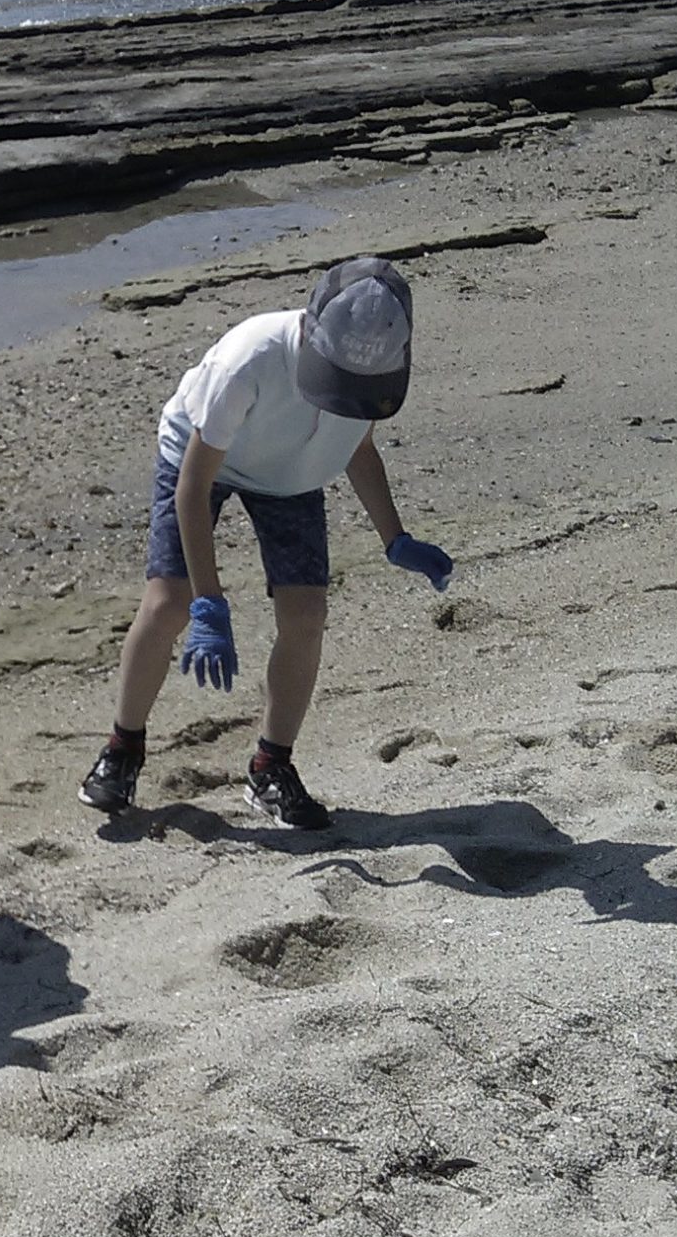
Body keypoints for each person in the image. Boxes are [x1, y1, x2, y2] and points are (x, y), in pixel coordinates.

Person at [79, 256, 453, 829]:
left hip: (292, 477)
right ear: (311, 329)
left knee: (306, 616)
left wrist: (395, 538)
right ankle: (122, 748)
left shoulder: (373, 361)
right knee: (169, 603)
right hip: (202, 458)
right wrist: (209, 601)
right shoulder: (248, 359)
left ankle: (270, 767)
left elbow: (358, 448)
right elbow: (193, 486)